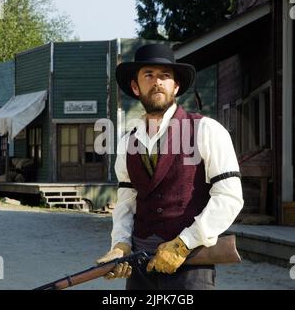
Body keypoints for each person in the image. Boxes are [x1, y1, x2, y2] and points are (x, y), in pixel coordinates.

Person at [96, 43, 244, 290]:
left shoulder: (207, 130)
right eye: (149, 75)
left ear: (175, 86)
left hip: (190, 265)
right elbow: (126, 200)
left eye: (165, 76)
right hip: (140, 267)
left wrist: (184, 243)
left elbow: (229, 197)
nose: (158, 82)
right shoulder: (126, 143)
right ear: (135, 87)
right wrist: (120, 245)